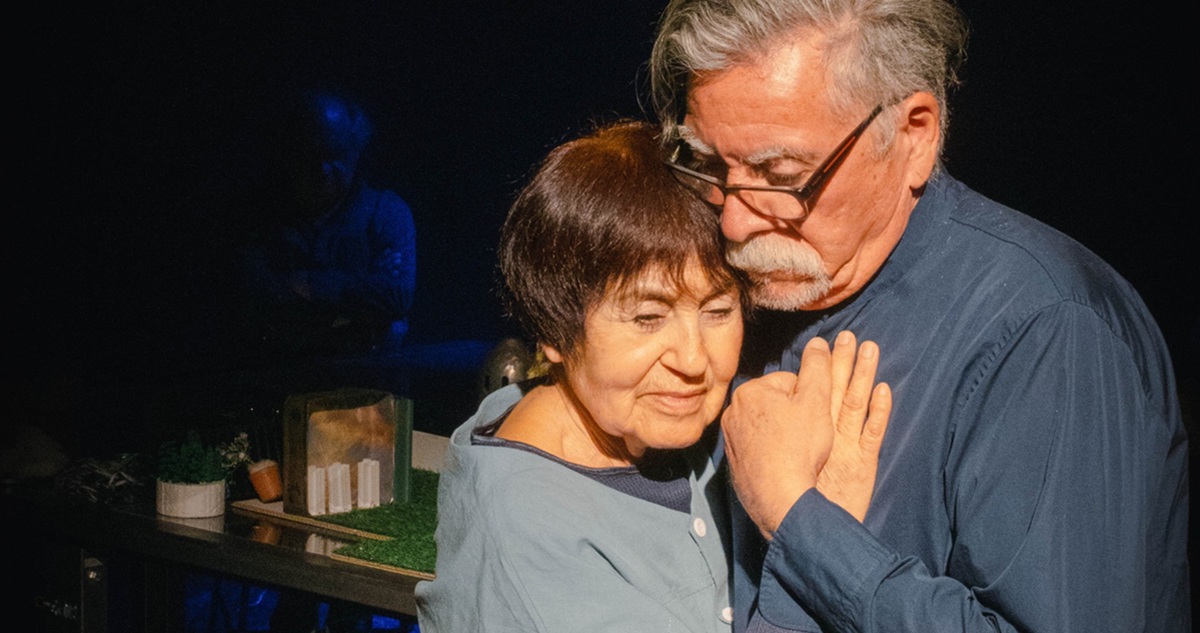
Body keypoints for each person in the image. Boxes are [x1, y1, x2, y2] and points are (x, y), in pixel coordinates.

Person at [648, 0, 1190, 631]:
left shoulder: (1047, 327)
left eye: (782, 174)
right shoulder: (738, 275)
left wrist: (796, 518)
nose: (734, 223)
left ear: (914, 136)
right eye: (709, 165)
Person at [414, 120, 891, 632]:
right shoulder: (530, 538)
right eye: (647, 318)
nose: (693, 360)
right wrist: (816, 541)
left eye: (718, 311)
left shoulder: (648, 428)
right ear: (554, 332)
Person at [232, 88, 417, 364]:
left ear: (355, 152)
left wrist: (308, 285)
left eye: (335, 153)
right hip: (280, 374)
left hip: (369, 378)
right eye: (309, 154)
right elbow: (251, 300)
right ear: (288, 155)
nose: (322, 169)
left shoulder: (386, 211)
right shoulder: (257, 216)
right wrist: (358, 307)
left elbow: (396, 295)